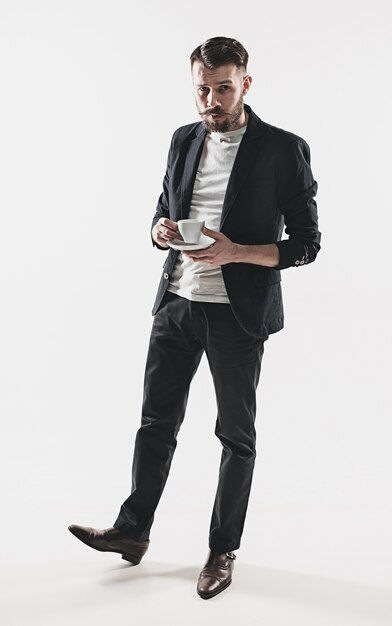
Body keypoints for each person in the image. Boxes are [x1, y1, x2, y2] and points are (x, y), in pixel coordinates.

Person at [69, 36, 321, 600]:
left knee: (235, 437)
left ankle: (222, 550)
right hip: (177, 304)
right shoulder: (183, 139)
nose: (211, 100)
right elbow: (166, 206)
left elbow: (307, 243)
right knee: (155, 424)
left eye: (223, 88)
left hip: (238, 315)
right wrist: (160, 230)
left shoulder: (282, 149)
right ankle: (133, 533)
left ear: (246, 84)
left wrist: (237, 252)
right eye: (202, 89)